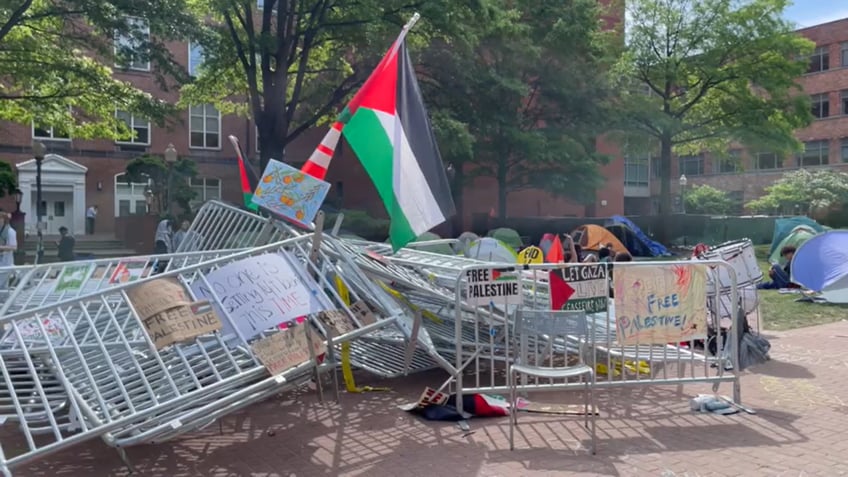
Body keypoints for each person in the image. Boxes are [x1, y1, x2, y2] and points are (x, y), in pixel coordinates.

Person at [0, 209, 18, 289]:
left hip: (6, 262)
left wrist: (1, 247)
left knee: (3, 286)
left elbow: (14, 247)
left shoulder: (10, 231)